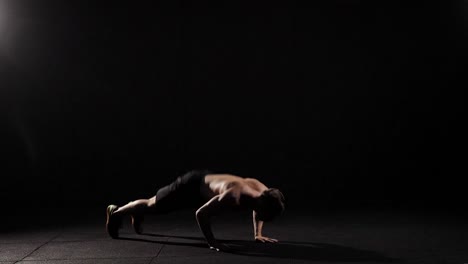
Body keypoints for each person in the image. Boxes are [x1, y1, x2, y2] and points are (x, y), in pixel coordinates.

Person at [105, 170, 285, 251]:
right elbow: (201, 213)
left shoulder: (262, 191)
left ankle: (137, 212)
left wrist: (257, 234)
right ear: (262, 204)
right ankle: (115, 211)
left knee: (153, 209)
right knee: (152, 205)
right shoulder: (234, 195)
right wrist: (213, 242)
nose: (263, 217)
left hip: (204, 186)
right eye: (266, 214)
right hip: (190, 185)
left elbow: (258, 209)